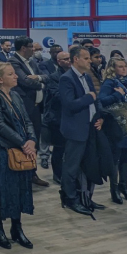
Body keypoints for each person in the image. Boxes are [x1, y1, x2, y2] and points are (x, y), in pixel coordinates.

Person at [0, 63, 36, 250]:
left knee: (20, 189)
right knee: (1, 190)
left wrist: (31, 140)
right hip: (3, 150)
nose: (16, 76)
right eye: (11, 74)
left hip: (22, 149)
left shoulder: (15, 95)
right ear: (0, 79)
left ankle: (17, 227)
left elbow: (27, 121)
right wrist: (23, 143)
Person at [58, 46, 101, 217]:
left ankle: (85, 197)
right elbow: (69, 104)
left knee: (87, 165)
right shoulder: (66, 79)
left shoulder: (87, 77)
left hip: (90, 127)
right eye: (86, 58)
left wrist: (99, 116)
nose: (89, 61)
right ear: (76, 59)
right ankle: (70, 198)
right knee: (71, 167)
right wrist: (89, 97)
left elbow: (95, 100)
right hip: (75, 130)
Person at [99, 58, 127, 202]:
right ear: (113, 68)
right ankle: (114, 189)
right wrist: (118, 95)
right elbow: (102, 101)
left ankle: (124, 187)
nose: (124, 69)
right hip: (116, 124)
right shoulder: (110, 82)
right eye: (120, 67)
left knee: (126, 157)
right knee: (116, 158)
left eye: (125, 66)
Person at [9, 37, 50, 188]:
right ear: (22, 48)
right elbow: (25, 81)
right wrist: (40, 82)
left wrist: (38, 78)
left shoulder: (32, 62)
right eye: (31, 46)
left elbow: (47, 77)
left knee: (35, 142)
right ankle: (22, 173)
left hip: (37, 108)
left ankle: (32, 173)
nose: (34, 49)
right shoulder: (14, 62)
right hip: (24, 109)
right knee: (23, 142)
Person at [42, 50, 71, 184]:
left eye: (69, 58)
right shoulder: (54, 77)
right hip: (57, 117)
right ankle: (57, 174)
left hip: (70, 116)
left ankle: (67, 172)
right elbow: (57, 96)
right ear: (59, 62)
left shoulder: (74, 74)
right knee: (59, 148)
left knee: (68, 148)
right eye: (65, 59)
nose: (68, 60)